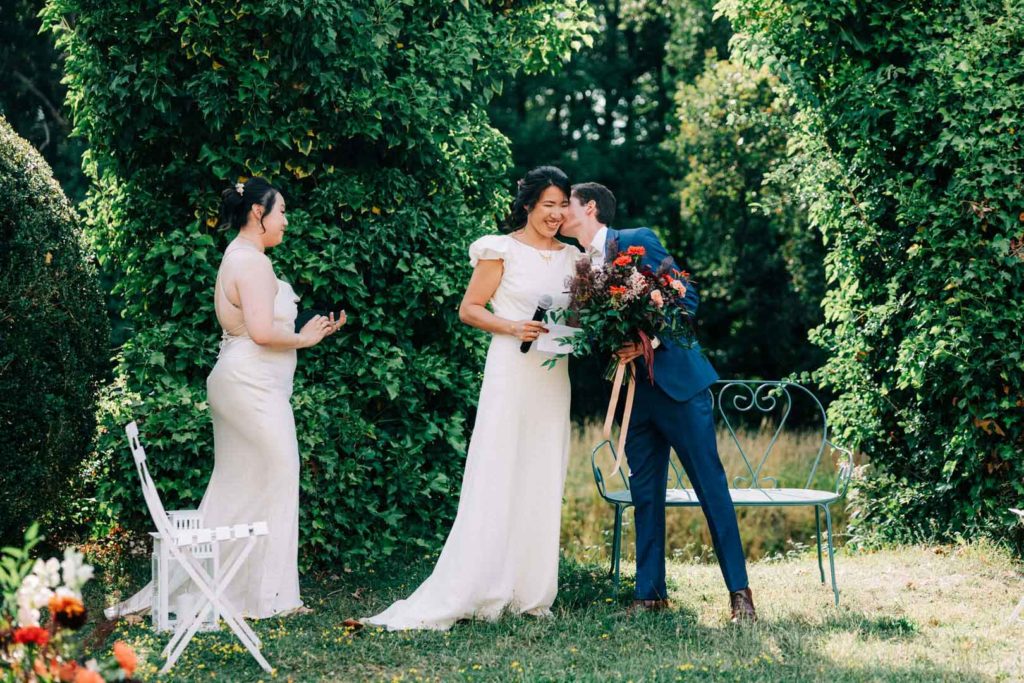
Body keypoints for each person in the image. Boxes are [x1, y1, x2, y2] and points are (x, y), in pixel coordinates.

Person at [107, 177, 344, 621]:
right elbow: (260, 333)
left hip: (243, 383)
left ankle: (197, 588)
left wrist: (310, 331)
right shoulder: (252, 263)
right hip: (251, 388)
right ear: (258, 213)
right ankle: (273, 598)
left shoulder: (237, 257)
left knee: (237, 487)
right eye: (281, 212)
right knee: (279, 473)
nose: (286, 221)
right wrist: (305, 339)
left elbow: (253, 327)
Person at [360, 166, 582, 631]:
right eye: (549, 205)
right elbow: (469, 309)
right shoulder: (499, 250)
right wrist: (513, 326)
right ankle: (483, 582)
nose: (557, 214)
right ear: (528, 205)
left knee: (542, 468)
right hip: (511, 368)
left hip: (552, 374)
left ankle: (531, 589)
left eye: (563, 205)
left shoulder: (574, 258)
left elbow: (579, 316)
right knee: (499, 467)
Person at [559, 182, 756, 623]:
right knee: (645, 494)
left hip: (678, 387)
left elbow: (687, 296)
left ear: (589, 208)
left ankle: (740, 594)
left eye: (564, 205)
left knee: (711, 488)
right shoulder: (579, 267)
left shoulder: (635, 240)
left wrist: (647, 338)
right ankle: (649, 594)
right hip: (634, 395)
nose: (558, 213)